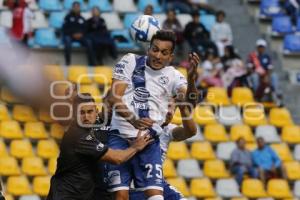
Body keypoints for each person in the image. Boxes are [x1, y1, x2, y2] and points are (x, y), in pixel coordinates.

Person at [107, 30, 200, 200]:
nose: (158, 55)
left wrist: (192, 79)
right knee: (120, 196)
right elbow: (113, 97)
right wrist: (133, 120)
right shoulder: (130, 61)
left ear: (170, 56)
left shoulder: (174, 75)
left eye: (164, 53)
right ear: (148, 49)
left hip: (149, 141)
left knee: (156, 197)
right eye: (155, 50)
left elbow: (189, 104)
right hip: (120, 137)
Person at [47, 93, 153, 200]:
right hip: (66, 196)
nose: (86, 117)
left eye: (90, 112)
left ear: (96, 112)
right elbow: (117, 158)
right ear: (75, 115)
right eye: (81, 113)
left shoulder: (90, 129)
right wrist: (135, 147)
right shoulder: (78, 136)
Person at [130, 59, 198, 200]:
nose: (168, 112)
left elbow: (190, 131)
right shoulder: (137, 124)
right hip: (134, 186)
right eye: (166, 107)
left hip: (158, 186)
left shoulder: (167, 131)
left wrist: (183, 107)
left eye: (171, 108)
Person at [62, 1, 96, 66]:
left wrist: (81, 34)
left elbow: (85, 29)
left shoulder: (82, 18)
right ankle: (68, 62)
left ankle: (91, 63)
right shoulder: (67, 17)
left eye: (78, 7)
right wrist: (72, 34)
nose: (76, 8)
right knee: (67, 41)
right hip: (70, 36)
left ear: (80, 8)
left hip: (81, 36)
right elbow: (64, 29)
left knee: (89, 42)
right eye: (75, 7)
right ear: (72, 8)